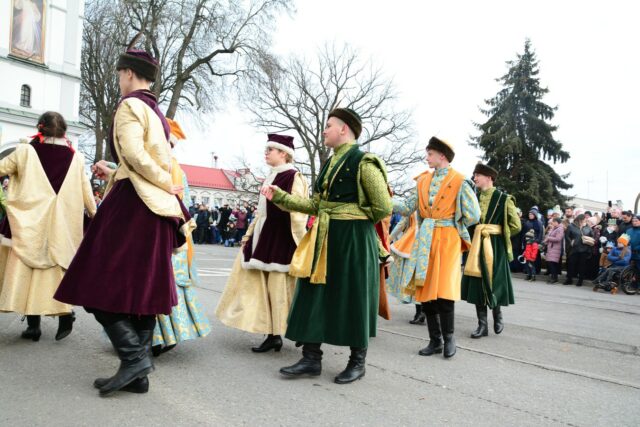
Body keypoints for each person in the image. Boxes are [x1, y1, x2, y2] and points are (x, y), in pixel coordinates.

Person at [54, 47, 192, 396]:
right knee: (142, 292)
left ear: (129, 73)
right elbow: (141, 159)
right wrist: (136, 177)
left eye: (119, 75)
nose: (119, 81)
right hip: (158, 207)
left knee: (93, 281)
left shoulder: (130, 105)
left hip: (133, 205)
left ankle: (134, 360)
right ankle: (137, 374)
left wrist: (162, 180)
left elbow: (133, 153)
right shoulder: (157, 113)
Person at [261, 108, 392, 384]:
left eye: (329, 125)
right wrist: (281, 197)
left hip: (354, 239)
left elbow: (382, 207)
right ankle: (311, 359)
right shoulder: (330, 163)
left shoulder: (364, 162)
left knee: (354, 295)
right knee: (314, 292)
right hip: (326, 236)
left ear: (344, 129)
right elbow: (316, 205)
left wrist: (349, 215)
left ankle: (357, 362)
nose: (324, 130)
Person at [0, 112, 96, 341]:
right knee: (54, 273)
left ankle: (33, 327)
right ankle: (65, 313)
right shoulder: (76, 158)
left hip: (29, 224)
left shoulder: (25, 151)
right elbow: (86, 191)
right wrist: (96, 215)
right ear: (64, 131)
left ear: (39, 128)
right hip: (61, 226)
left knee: (28, 273)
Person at [216, 134, 308, 353]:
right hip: (263, 236)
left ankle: (300, 330)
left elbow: (299, 209)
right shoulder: (270, 176)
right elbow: (260, 213)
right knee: (263, 289)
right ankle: (272, 335)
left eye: (270, 150)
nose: (265, 153)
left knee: (281, 289)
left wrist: (299, 241)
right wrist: (248, 236)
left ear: (283, 153)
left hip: (282, 238)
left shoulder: (294, 177)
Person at [392, 136, 480, 358]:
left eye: (430, 154)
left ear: (442, 156)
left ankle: (449, 339)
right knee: (427, 291)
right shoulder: (422, 181)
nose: (427, 158)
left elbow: (473, 214)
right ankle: (435, 341)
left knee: (444, 290)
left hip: (448, 239)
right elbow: (407, 207)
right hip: (426, 240)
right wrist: (382, 199)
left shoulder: (459, 180)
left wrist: (453, 223)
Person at [151, 119, 211, 356]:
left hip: (163, 235)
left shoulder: (161, 166)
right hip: (177, 235)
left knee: (156, 285)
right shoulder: (177, 169)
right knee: (171, 286)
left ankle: (156, 338)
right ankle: (169, 334)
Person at [461, 163, 520, 338]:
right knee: (477, 282)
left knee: (496, 281)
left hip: (495, 245)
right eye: (474, 175)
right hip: (476, 244)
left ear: (489, 177)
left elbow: (516, 225)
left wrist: (498, 233)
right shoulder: (473, 198)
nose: (475, 178)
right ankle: (482, 325)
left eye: (477, 175)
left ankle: (497, 314)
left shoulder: (504, 199)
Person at [564, 214, 593, 286]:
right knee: (571, 264)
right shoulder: (571, 226)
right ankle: (569, 279)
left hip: (584, 249)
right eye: (584, 219)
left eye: (585, 220)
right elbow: (567, 236)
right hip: (574, 249)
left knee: (582, 266)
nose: (585, 221)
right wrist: (570, 242)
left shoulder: (588, 227)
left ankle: (580, 280)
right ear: (579, 219)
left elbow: (592, 236)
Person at [544, 217, 564, 284]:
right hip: (551, 248)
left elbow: (558, 238)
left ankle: (555, 278)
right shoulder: (554, 228)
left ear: (557, 222)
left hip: (555, 249)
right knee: (551, 263)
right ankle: (553, 278)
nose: (552, 223)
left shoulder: (560, 229)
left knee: (552, 264)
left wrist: (549, 238)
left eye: (554, 222)